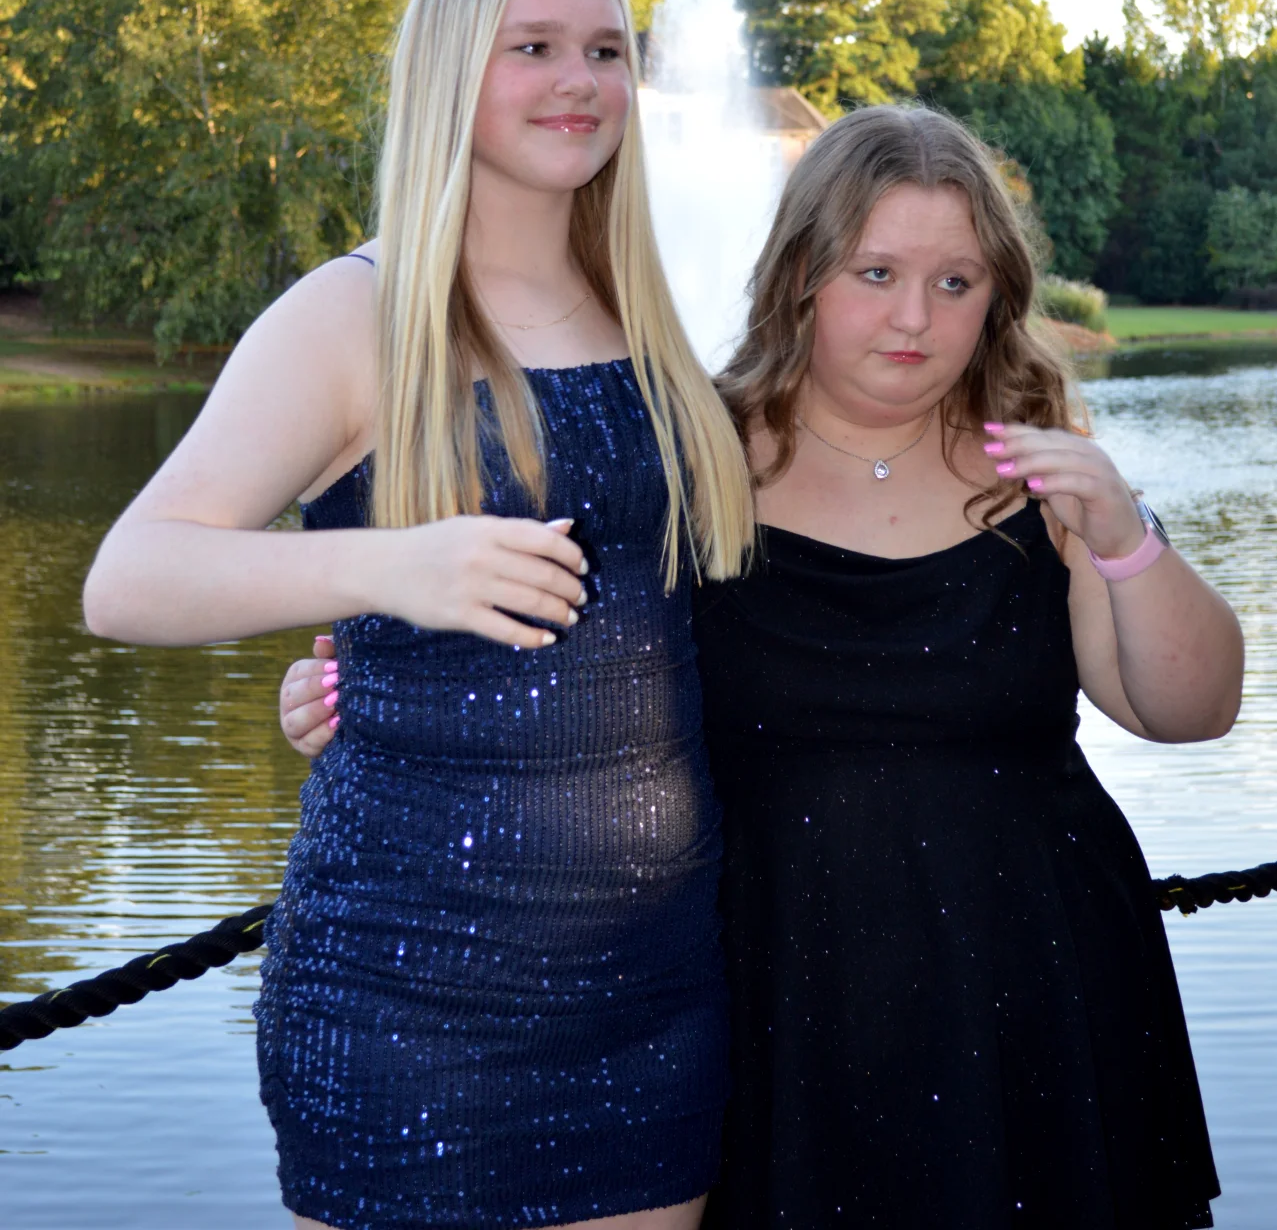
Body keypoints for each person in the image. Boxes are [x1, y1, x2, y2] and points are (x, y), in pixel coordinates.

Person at [284, 102, 1244, 1229]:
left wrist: (1125, 537)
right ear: (798, 275)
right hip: (771, 991)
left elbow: (1188, 711)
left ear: (997, 297)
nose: (913, 317)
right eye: (874, 273)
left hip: (1031, 983)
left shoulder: (1044, 470)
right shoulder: (686, 458)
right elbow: (543, 681)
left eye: (954, 282)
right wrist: (366, 700)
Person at [83, 0, 754, 1230]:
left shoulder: (642, 313)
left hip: (653, 991)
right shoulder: (356, 313)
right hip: (414, 1000)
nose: (579, 82)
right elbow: (129, 579)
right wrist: (394, 571)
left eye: (606, 50)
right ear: (453, 65)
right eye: (533, 48)